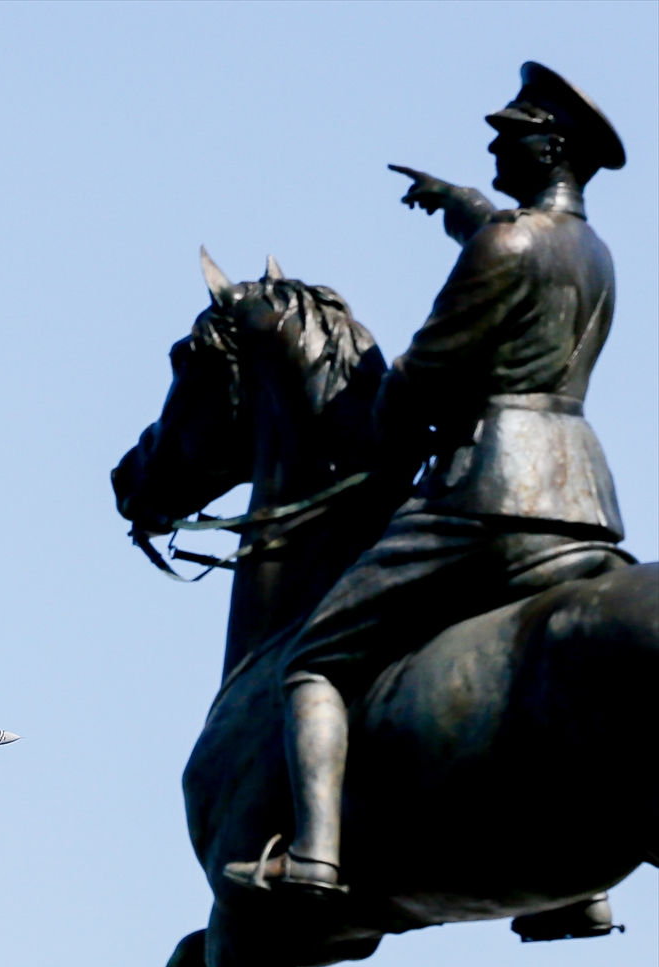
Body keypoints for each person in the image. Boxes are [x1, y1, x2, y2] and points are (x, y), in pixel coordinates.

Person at [225, 62, 635, 895]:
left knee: (314, 660)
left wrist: (383, 437)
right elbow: (517, 246)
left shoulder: (508, 243)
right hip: (583, 504)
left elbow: (423, 374)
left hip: (486, 496)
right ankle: (582, 893)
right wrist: (461, 207)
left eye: (511, 127)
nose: (493, 134)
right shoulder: (593, 253)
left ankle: (313, 856)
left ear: (550, 144)